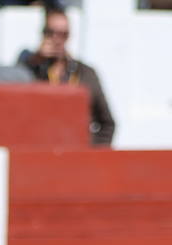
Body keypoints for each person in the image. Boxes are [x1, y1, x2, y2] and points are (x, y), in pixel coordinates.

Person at [17, 8, 116, 146]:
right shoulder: (31, 69)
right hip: (41, 150)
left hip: (76, 153)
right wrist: (36, 61)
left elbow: (107, 123)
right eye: (51, 33)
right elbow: (15, 103)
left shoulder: (85, 73)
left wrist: (92, 151)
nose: (57, 39)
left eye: (63, 34)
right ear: (43, 34)